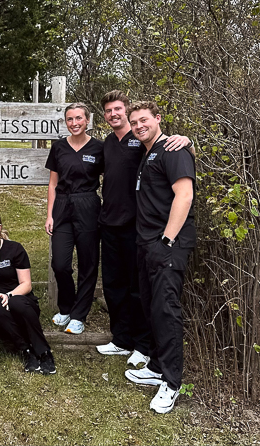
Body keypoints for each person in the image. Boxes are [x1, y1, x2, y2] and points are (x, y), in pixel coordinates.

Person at [96, 91, 193, 368]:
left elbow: (171, 153)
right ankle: (121, 338)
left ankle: (142, 344)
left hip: (137, 228)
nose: (113, 114)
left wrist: (188, 141)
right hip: (109, 225)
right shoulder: (107, 144)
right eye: (108, 111)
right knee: (113, 286)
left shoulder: (140, 141)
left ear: (125, 112)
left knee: (138, 290)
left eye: (118, 109)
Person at [124, 101, 196, 414]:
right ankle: (155, 368)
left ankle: (171, 383)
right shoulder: (148, 152)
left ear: (158, 119)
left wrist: (167, 239)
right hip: (148, 245)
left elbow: (185, 194)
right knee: (151, 308)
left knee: (166, 312)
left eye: (144, 120)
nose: (139, 126)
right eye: (134, 122)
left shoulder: (173, 149)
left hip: (167, 245)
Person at [0, 208, 56, 375]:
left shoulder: (15, 249)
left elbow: (26, 284)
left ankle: (44, 352)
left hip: (19, 299)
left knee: (15, 302)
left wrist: (9, 295)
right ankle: (26, 351)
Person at [45, 103, 104, 335]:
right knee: (60, 263)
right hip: (62, 206)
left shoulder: (99, 148)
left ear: (87, 120)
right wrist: (50, 214)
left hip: (88, 204)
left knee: (88, 264)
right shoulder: (59, 147)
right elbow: (52, 183)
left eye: (79, 118)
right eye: (70, 119)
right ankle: (67, 308)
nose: (74, 123)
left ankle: (79, 315)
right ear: (65, 122)